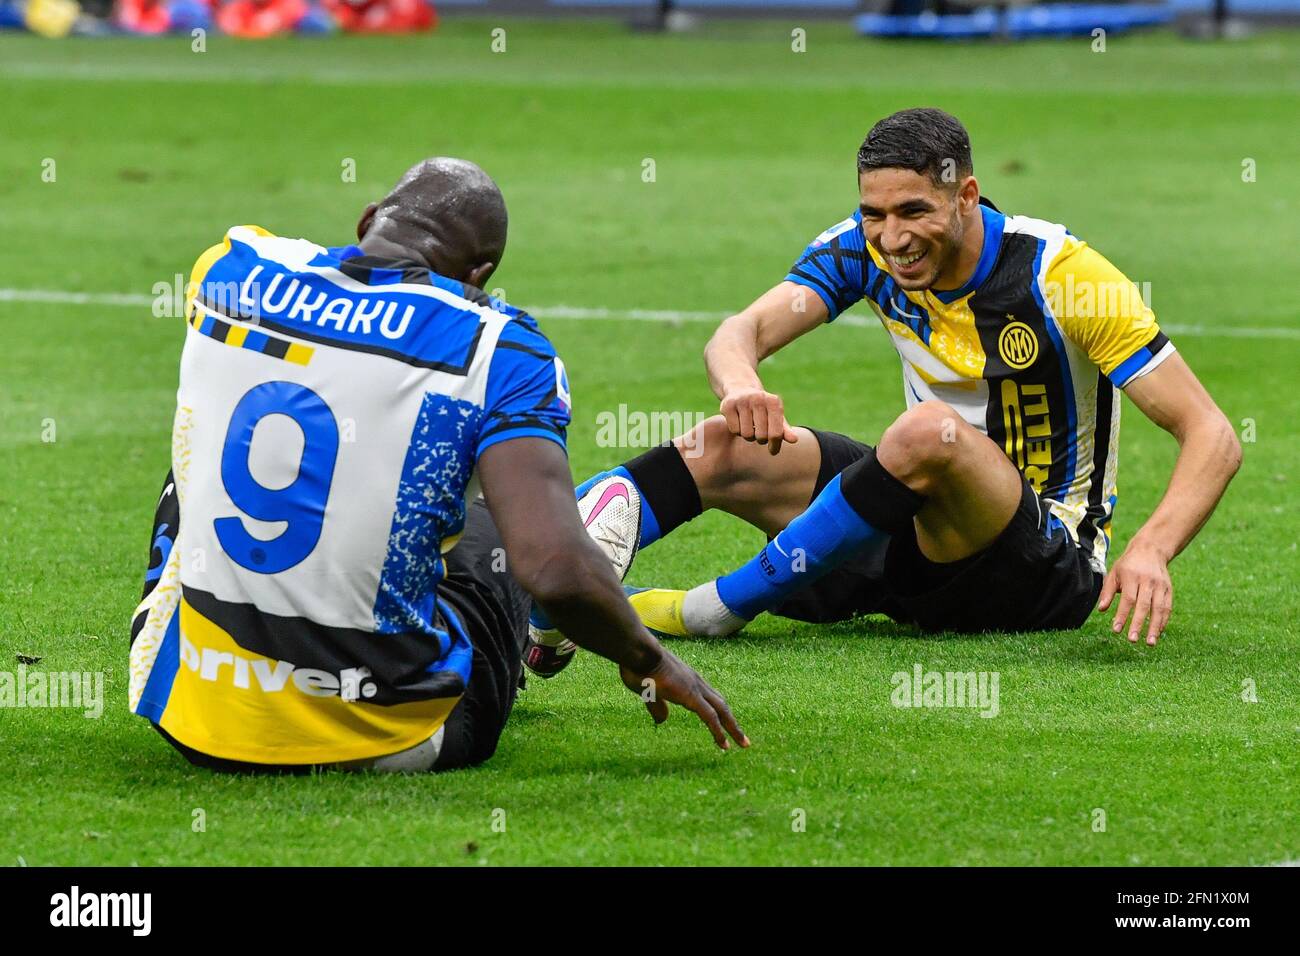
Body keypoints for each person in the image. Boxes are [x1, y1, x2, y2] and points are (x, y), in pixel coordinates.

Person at [531, 108, 1241, 676]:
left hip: (1041, 564)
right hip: (912, 530)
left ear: (965, 194)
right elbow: (736, 333)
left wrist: (1150, 548)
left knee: (926, 432)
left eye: (913, 212)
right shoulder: (863, 248)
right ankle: (548, 601)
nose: (892, 238)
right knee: (719, 444)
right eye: (874, 213)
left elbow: (1213, 433)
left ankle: (716, 608)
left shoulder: (1061, 273)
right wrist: (742, 387)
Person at [129, 158, 747, 773]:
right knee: (503, 523)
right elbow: (554, 567)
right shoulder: (501, 347)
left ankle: (213, 661)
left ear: (368, 217)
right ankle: (536, 638)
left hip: (195, 720)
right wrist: (650, 660)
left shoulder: (231, 267)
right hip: (384, 736)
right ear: (480, 274)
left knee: (199, 456)